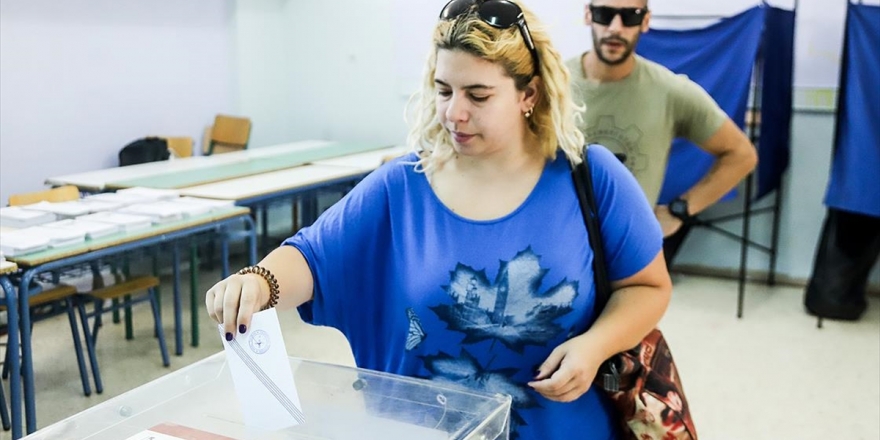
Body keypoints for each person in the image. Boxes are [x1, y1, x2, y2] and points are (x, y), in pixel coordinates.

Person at [206, 1, 671, 438]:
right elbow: (312, 258)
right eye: (444, 90)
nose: (455, 112)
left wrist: (594, 347)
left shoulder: (591, 177)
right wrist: (260, 282)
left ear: (529, 93)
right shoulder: (401, 185)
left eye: (478, 95)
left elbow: (648, 287)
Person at [567, 0, 758, 266]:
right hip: (561, 243)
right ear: (588, 16)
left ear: (645, 21)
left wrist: (681, 210)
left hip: (630, 252)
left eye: (630, 17)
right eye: (604, 14)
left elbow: (741, 155)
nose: (615, 28)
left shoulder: (669, 90)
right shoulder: (552, 87)